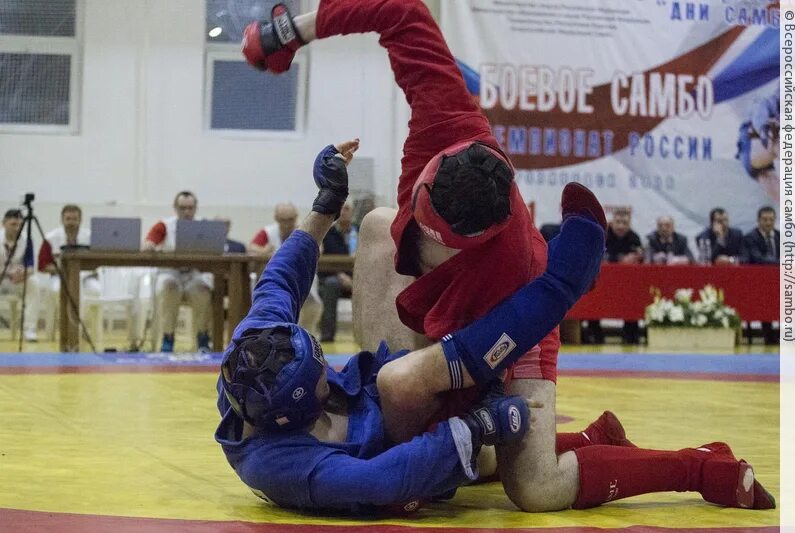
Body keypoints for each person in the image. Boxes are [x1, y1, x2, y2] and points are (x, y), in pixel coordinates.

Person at [242, 2, 775, 514]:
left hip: (514, 322)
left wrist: (464, 426)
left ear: (465, 242)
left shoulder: (512, 268)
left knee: (534, 486)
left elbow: (473, 356)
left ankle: (694, 466)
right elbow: (398, 8)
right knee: (382, 227)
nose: (420, 230)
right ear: (435, 170)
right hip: (456, 308)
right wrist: (291, 32)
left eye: (433, 239)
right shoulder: (447, 117)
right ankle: (577, 440)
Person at [217, 141, 643, 513]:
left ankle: (585, 431)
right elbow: (386, 480)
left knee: (380, 227)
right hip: (408, 467)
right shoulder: (283, 466)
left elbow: (279, 279)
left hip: (384, 410)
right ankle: (562, 285)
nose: (330, 372)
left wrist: (325, 205)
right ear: (294, 418)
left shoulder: (257, 347)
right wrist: (478, 426)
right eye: (321, 383)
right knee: (513, 471)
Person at [144, 191, 212, 352]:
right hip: (170, 272)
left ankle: (202, 337)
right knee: (169, 287)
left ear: (195, 208)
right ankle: (168, 337)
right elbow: (148, 242)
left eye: (190, 208)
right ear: (175, 208)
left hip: (194, 274)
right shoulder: (164, 225)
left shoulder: (205, 226)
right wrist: (150, 245)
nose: (187, 212)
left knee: (203, 290)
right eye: (182, 208)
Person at [248, 202, 322, 334]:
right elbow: (251, 247)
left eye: (290, 220)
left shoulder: (304, 230)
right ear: (276, 218)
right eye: (283, 220)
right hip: (274, 282)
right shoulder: (268, 232)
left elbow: (319, 247)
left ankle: (307, 337)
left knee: (313, 305)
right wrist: (264, 251)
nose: (287, 224)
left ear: (296, 217)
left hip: (301, 280)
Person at [585, 208, 642, 345]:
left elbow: (638, 257)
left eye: (624, 223)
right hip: (601, 280)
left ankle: (630, 333)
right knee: (595, 301)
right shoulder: (603, 234)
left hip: (626, 283)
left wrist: (636, 257)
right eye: (618, 222)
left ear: (629, 223)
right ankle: (594, 332)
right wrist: (619, 258)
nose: (621, 226)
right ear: (612, 222)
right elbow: (596, 254)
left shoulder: (634, 237)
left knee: (631, 299)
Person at [318, 202, 357, 342]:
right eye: (340, 208)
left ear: (352, 212)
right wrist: (339, 275)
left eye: (346, 208)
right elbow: (321, 260)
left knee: (373, 285)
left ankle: (368, 337)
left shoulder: (360, 232)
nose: (343, 211)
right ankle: (327, 336)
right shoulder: (326, 233)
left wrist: (355, 279)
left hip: (358, 278)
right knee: (331, 284)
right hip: (332, 277)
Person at [743, 206, 780, 344]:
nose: (768, 223)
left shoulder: (780, 236)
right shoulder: (750, 238)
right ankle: (769, 335)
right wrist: (781, 263)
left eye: (771, 219)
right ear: (758, 221)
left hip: (780, 280)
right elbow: (757, 258)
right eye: (765, 220)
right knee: (764, 297)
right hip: (758, 282)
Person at [0, 209, 39, 341]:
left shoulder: (27, 240)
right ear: (3, 223)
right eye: (13, 224)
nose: (17, 228)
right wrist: (7, 273)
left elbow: (31, 266)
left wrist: (24, 273)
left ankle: (29, 329)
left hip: (17, 280)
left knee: (34, 284)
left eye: (19, 225)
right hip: (2, 277)